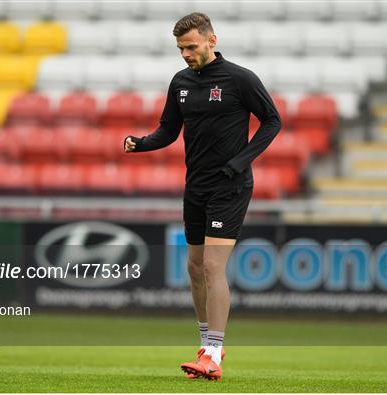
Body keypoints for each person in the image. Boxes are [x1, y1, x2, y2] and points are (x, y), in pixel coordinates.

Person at [124, 12, 281, 380]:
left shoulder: (239, 79)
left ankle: (214, 353)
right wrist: (141, 143)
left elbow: (272, 120)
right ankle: (206, 344)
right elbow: (168, 130)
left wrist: (241, 161)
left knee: (212, 266)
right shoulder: (180, 82)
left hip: (230, 186)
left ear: (212, 40)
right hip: (195, 185)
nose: (185, 54)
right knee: (194, 268)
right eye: (180, 48)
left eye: (191, 46)